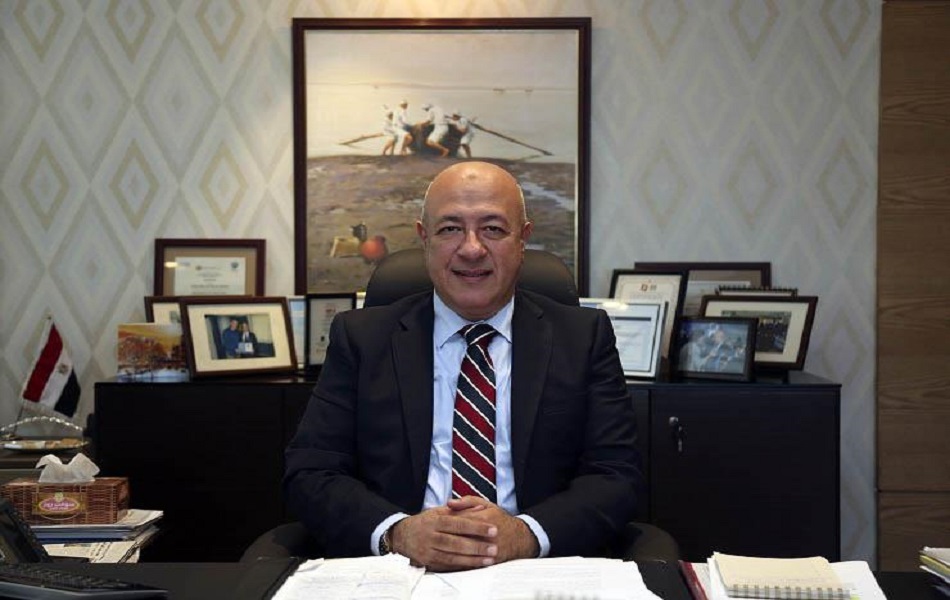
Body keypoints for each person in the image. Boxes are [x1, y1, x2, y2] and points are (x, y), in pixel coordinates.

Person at [285, 161, 641, 572]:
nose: (472, 249)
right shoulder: (363, 338)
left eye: (493, 229)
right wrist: (398, 533)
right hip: (401, 571)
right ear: (425, 239)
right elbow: (311, 472)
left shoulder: (582, 337)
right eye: (451, 228)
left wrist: (524, 535)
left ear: (523, 239)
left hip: (534, 569)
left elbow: (616, 476)